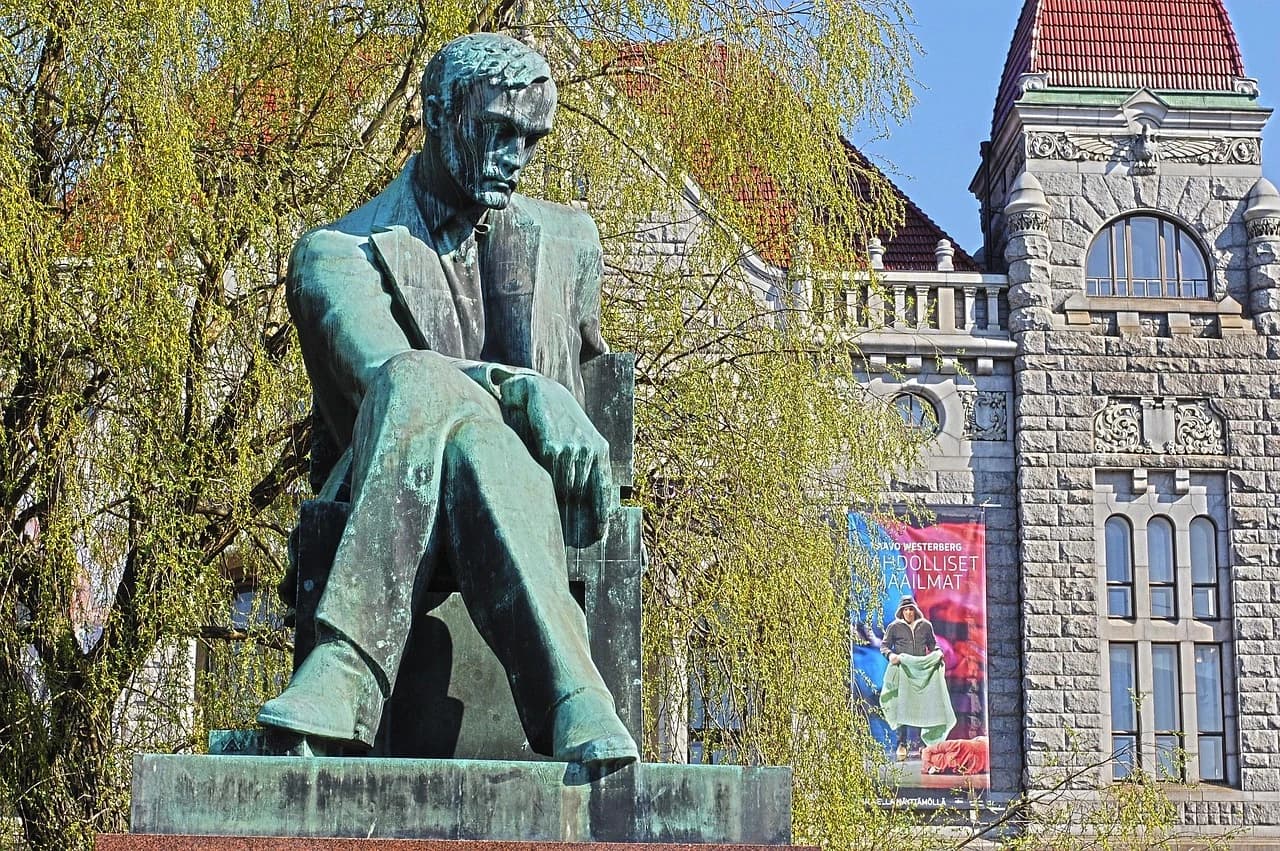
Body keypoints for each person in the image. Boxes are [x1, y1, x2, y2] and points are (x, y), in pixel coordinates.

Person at [255, 33, 638, 768]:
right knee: (420, 386)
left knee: (478, 445)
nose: (516, 155)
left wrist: (547, 408)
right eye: (497, 129)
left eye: (532, 137)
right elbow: (386, 375)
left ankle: (344, 670)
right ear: (436, 114)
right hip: (395, 507)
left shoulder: (569, 241)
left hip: (539, 506)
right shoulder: (336, 255)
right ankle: (574, 696)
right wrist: (526, 390)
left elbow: (601, 401)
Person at [881, 594, 938, 761]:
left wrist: (938, 652)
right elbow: (884, 646)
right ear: (901, 611)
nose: (908, 612)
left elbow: (933, 644)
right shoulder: (894, 627)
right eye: (905, 609)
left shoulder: (925, 626)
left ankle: (922, 744)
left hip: (921, 672)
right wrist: (890, 655)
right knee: (902, 708)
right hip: (903, 671)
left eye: (911, 609)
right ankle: (902, 744)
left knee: (922, 708)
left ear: (915, 610)